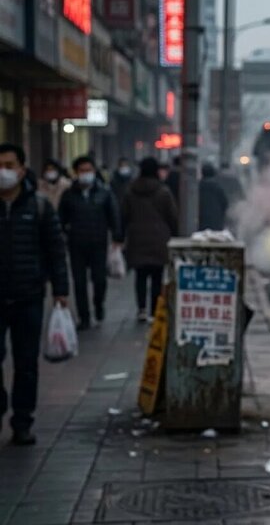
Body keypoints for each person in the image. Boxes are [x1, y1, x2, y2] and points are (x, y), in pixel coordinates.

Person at [0, 144, 69, 446]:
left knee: (26, 363)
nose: (3, 171)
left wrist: (61, 291)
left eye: (9, 164)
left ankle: (22, 420)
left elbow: (55, 250)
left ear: (22, 169)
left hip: (28, 296)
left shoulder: (39, 206)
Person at [59, 156, 124, 331]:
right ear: (76, 173)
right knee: (79, 283)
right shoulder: (69, 195)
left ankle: (98, 304)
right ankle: (84, 316)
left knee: (99, 279)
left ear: (94, 172)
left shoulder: (104, 193)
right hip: (76, 244)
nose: (85, 174)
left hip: (98, 243)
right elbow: (60, 220)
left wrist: (117, 237)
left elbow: (114, 216)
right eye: (82, 171)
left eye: (88, 170)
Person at [122, 157, 177, 322]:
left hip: (136, 238)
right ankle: (154, 310)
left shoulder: (131, 191)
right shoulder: (163, 191)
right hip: (159, 239)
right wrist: (175, 235)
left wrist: (121, 236)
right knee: (156, 277)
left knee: (140, 276)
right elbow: (172, 216)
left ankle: (141, 309)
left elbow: (124, 215)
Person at [198, 162, 230, 231]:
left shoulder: (198, 186)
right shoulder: (217, 187)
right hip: (216, 221)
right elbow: (225, 203)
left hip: (201, 220)